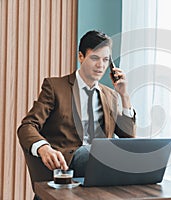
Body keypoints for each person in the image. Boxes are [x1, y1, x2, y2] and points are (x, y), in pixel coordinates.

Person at [17, 30, 136, 180]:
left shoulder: (110, 95)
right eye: (95, 58)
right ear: (81, 56)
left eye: (105, 60)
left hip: (101, 165)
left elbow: (129, 138)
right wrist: (43, 147)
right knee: (95, 154)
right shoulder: (55, 87)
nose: (101, 65)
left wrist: (124, 96)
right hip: (69, 162)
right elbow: (27, 126)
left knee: (139, 158)